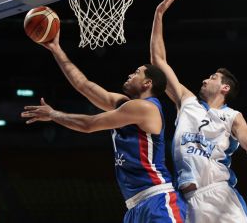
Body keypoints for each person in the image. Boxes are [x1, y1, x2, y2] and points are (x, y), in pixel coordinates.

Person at [21, 29, 186, 222]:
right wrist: (56, 49)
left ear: (147, 83)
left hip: (158, 199)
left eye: (136, 73)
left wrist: (53, 114)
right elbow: (84, 85)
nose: (130, 75)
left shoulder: (144, 108)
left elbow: (89, 125)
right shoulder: (126, 105)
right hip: (135, 206)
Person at [149, 0, 247, 223]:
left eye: (212, 77)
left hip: (219, 194)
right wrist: (158, 15)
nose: (205, 80)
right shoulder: (187, 101)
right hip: (188, 200)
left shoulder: (232, 116)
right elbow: (158, 62)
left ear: (225, 88)